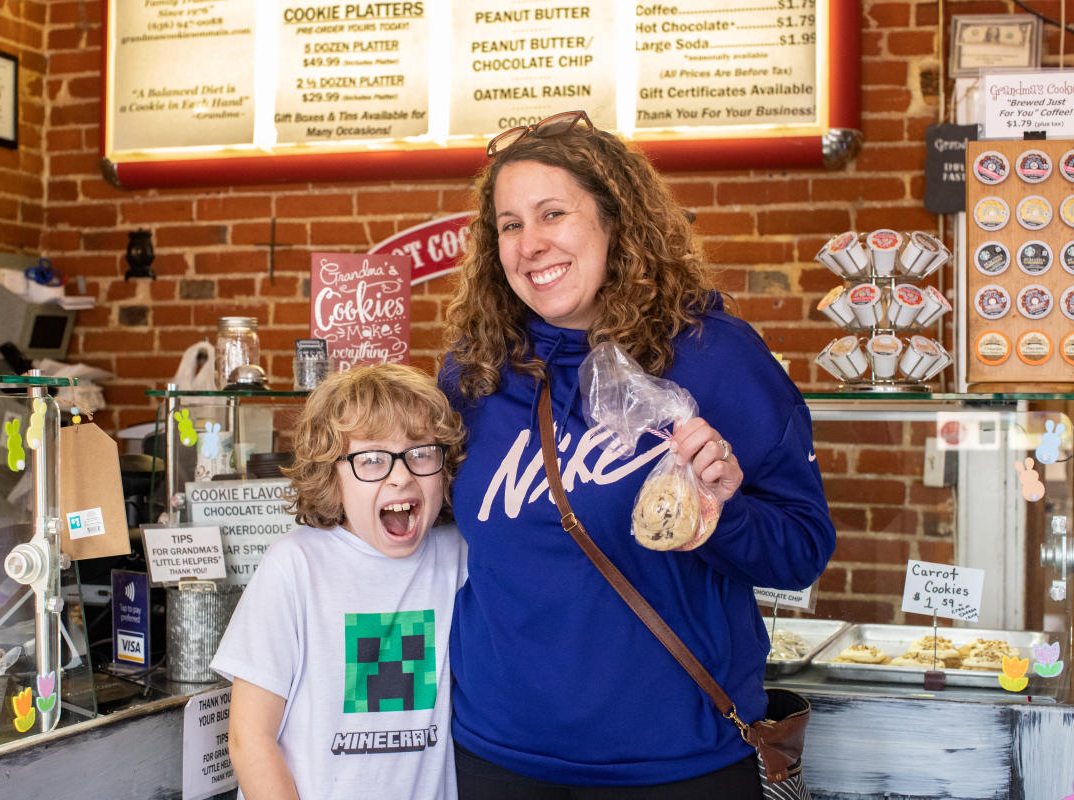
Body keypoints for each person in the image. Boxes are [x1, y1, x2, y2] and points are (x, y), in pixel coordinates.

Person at [438, 110, 836, 797]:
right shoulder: (474, 374)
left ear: (614, 221)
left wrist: (724, 513)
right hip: (494, 757)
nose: (530, 244)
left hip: (677, 766)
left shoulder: (716, 358)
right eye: (509, 225)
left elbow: (800, 550)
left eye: (553, 213)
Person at [211, 363, 467, 800]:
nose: (401, 475)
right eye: (371, 458)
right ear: (331, 474)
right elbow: (250, 739)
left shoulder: (458, 555)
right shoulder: (295, 566)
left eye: (421, 452)